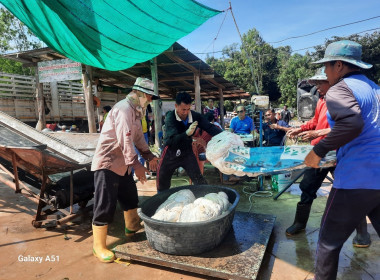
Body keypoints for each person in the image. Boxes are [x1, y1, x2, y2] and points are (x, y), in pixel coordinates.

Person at [304, 40, 380, 280]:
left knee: (328, 243)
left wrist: (318, 151)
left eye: (326, 67)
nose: (324, 73)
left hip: (356, 179)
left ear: (339, 65)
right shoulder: (375, 89)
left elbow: (352, 122)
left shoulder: (340, 89)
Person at [285, 67, 370, 247]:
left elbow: (349, 127)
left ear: (332, 80)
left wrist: (318, 133)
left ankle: (362, 233)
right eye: (315, 83)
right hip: (320, 154)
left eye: (320, 83)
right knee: (307, 187)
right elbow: (315, 122)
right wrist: (300, 128)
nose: (317, 87)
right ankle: (300, 223)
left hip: (341, 153)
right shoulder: (321, 101)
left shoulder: (345, 99)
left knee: (350, 191)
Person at [91, 77, 160, 263]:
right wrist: (137, 165)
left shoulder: (137, 112)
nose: (151, 100)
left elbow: (138, 138)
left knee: (130, 197)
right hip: (108, 163)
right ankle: (98, 246)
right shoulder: (123, 109)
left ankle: (131, 227)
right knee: (105, 205)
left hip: (124, 164)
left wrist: (149, 155)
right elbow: (124, 140)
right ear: (140, 94)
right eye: (150, 96)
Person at [157, 92, 222, 192]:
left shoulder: (195, 116)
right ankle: (160, 199)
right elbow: (171, 140)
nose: (186, 112)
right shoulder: (170, 117)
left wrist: (224, 136)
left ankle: (205, 197)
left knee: (198, 178)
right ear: (176, 106)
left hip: (186, 150)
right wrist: (186, 133)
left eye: (188, 109)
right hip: (170, 151)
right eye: (183, 109)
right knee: (162, 181)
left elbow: (209, 127)